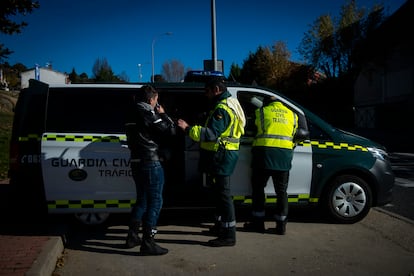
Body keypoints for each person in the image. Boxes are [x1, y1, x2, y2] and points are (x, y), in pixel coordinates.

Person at [177, 79, 246, 247]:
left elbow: (211, 134)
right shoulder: (231, 102)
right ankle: (220, 227)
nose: (205, 95)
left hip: (222, 155)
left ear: (216, 89)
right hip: (223, 153)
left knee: (223, 195)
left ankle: (229, 235)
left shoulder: (222, 108)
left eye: (207, 91)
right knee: (218, 193)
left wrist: (187, 128)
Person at [124, 85, 176, 255]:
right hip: (150, 161)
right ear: (150, 99)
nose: (156, 102)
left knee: (142, 201)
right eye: (156, 99)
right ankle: (148, 241)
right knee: (155, 202)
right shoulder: (147, 112)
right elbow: (169, 131)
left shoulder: (130, 111)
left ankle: (132, 236)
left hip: (136, 161)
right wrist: (163, 114)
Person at [243, 96, 298, 235]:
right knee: (281, 191)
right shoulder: (292, 114)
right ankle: (281, 226)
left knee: (258, 189)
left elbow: (250, 130)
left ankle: (258, 223)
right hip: (284, 156)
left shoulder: (260, 112)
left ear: (266, 102)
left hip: (263, 154)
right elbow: (295, 135)